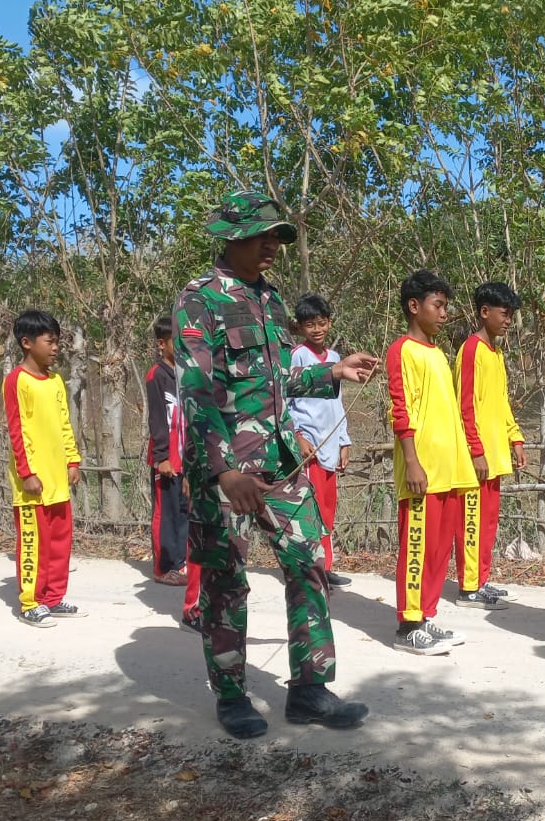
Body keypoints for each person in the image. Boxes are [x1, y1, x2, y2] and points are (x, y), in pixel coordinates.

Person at [175, 190, 378, 739]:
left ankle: (310, 689)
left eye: (277, 238)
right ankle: (232, 693)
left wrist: (332, 373)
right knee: (226, 579)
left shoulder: (269, 298)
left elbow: (275, 379)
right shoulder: (201, 300)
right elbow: (197, 393)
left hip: (282, 459)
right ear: (232, 237)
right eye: (263, 237)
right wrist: (223, 471)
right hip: (229, 469)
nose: (273, 247)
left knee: (308, 563)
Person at [387, 269, 483, 656]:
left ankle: (426, 615)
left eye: (445, 306)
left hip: (450, 469)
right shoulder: (402, 350)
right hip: (422, 470)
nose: (444, 313)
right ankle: (408, 624)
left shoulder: (439, 354)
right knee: (417, 546)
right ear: (415, 306)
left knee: (440, 549)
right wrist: (412, 462)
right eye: (437, 305)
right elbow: (401, 410)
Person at [4, 309, 85, 628]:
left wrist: (72, 459)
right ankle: (30, 602)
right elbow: (17, 430)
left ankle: (53, 597)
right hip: (33, 485)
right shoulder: (16, 381)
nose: (55, 348)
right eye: (49, 342)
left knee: (59, 543)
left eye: (57, 342)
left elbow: (65, 423)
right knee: (33, 544)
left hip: (58, 481)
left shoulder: (54, 381)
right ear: (27, 343)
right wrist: (27, 473)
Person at [455, 282, 525, 606]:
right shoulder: (471, 350)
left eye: (511, 314)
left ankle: (482, 579)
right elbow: (464, 404)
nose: (508, 320)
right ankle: (469, 586)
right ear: (485, 312)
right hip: (478, 457)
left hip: (496, 454)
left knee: (489, 522)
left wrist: (515, 437)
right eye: (504, 313)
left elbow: (501, 403)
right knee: (472, 520)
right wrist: (475, 450)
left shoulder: (496, 354)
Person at [287, 294, 354, 589]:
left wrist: (343, 440)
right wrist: (298, 437)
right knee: (310, 509)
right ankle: (311, 568)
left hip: (330, 441)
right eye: (309, 324)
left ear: (329, 323)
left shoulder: (337, 359)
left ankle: (325, 566)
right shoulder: (298, 356)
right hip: (310, 444)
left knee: (328, 508)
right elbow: (288, 401)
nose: (317, 329)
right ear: (300, 327)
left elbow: (337, 403)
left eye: (321, 323)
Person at [145, 314, 202, 628]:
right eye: (173, 341)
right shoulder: (157, 375)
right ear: (161, 343)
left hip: (185, 455)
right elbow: (156, 418)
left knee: (183, 511)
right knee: (166, 511)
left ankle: (181, 561)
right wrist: (162, 457)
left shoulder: (186, 375)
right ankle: (163, 565)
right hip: (167, 457)